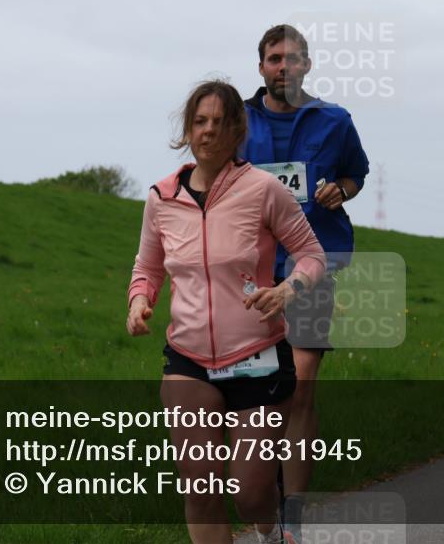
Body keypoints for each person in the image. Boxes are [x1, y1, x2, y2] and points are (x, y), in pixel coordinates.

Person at [127, 80, 327, 544]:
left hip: (256, 354)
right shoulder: (161, 198)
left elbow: (312, 255)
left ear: (237, 130)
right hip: (189, 358)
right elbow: (147, 266)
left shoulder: (264, 190)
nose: (209, 131)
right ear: (188, 130)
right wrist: (140, 300)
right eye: (200, 121)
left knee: (250, 492)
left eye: (220, 122)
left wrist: (286, 289)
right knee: (199, 487)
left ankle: (270, 530)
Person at [241, 24, 369, 540]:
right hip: (248, 274)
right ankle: (262, 488)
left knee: (301, 383)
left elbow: (355, 173)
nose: (283, 67)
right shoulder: (238, 120)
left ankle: (292, 510)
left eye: (292, 59)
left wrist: (340, 189)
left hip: (311, 265)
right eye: (274, 59)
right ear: (261, 67)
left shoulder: (335, 121)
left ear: (307, 65)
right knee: (254, 394)